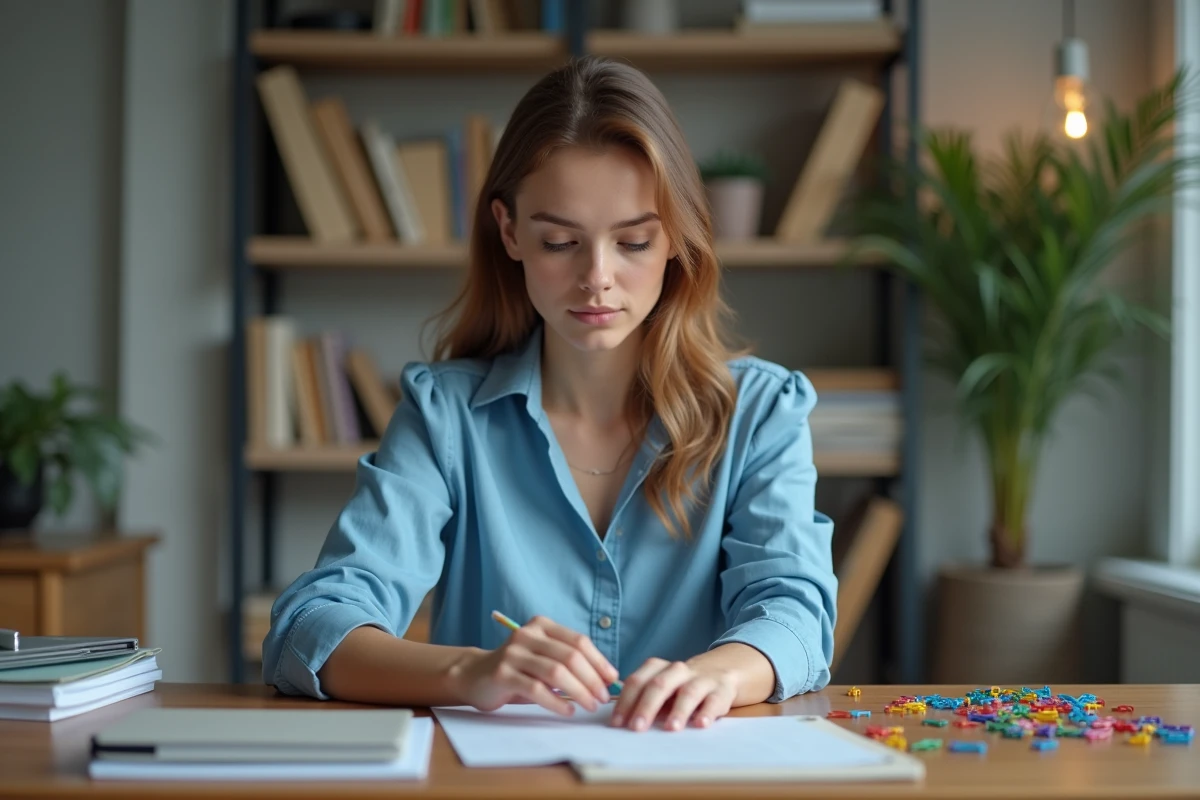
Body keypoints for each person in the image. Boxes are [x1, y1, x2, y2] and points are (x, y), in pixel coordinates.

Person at [261, 55, 837, 733]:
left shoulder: (761, 412)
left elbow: (795, 616)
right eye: (561, 241)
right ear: (509, 232)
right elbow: (311, 627)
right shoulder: (446, 415)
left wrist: (717, 672)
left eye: (634, 241)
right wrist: (467, 671)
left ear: (676, 237)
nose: (597, 278)